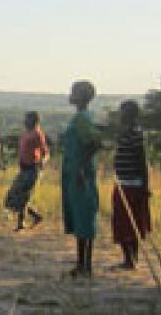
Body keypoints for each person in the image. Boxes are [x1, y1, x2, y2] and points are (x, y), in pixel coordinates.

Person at [62, 80, 102, 277]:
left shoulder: (81, 118)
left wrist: (81, 168)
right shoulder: (83, 116)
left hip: (80, 173)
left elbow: (94, 142)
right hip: (77, 171)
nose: (70, 94)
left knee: (83, 216)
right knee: (82, 216)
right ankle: (84, 264)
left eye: (74, 92)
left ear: (83, 96)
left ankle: (84, 265)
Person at [112, 100, 151, 270]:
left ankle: (131, 259)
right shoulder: (125, 133)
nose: (120, 115)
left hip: (132, 184)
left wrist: (145, 186)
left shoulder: (136, 134)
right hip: (123, 183)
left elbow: (142, 162)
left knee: (129, 223)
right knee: (123, 222)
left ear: (130, 114)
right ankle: (129, 258)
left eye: (123, 112)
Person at [5, 111, 49, 231]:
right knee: (13, 196)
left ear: (34, 120)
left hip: (32, 169)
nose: (24, 121)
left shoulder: (37, 134)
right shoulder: (25, 133)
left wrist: (43, 162)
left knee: (22, 196)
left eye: (27, 119)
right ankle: (35, 217)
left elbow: (45, 152)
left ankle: (21, 223)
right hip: (23, 169)